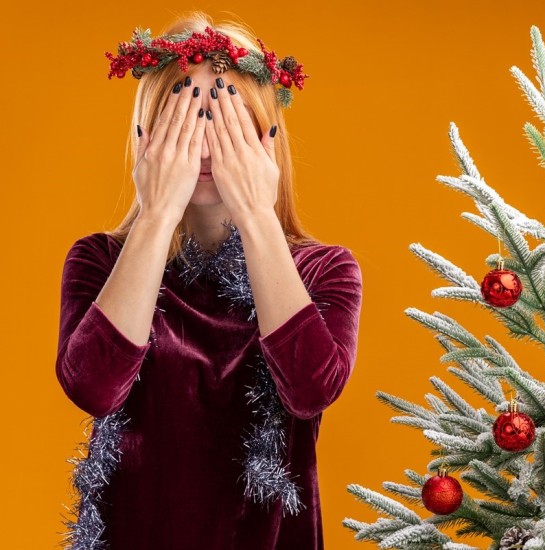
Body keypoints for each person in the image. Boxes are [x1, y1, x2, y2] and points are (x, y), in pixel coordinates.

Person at [55, 12, 363, 549]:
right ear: (147, 135)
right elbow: (93, 387)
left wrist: (259, 215)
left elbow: (312, 389)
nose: (203, 143)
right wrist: (154, 217)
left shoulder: (324, 270)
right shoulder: (98, 260)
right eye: (183, 117)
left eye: (225, 119)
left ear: (266, 138)